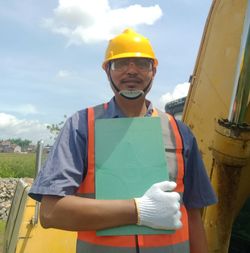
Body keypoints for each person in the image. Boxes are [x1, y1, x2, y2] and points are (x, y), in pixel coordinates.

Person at [29, 28, 217, 253]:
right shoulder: (81, 126)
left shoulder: (179, 131)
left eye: (141, 64)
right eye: (120, 64)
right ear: (107, 70)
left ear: (153, 71)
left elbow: (193, 213)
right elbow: (50, 213)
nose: (131, 71)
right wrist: (138, 210)